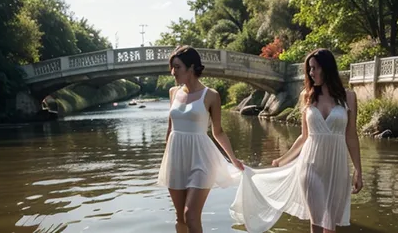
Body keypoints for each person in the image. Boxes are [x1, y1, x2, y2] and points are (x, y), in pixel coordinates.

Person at [230, 48, 363, 233]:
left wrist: (358, 170)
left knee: (330, 226)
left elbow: (351, 136)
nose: (311, 73)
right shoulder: (307, 96)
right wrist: (282, 160)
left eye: (314, 68)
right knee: (317, 224)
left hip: (337, 167)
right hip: (310, 166)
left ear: (326, 68)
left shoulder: (348, 97)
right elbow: (304, 136)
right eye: (309, 69)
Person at [156, 45, 245, 233]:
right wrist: (166, 158)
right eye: (172, 67)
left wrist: (233, 159)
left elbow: (218, 131)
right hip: (175, 157)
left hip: (201, 158)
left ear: (191, 68)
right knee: (180, 218)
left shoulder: (211, 95)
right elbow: (170, 128)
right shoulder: (173, 92)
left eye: (177, 67)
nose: (173, 72)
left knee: (191, 215)